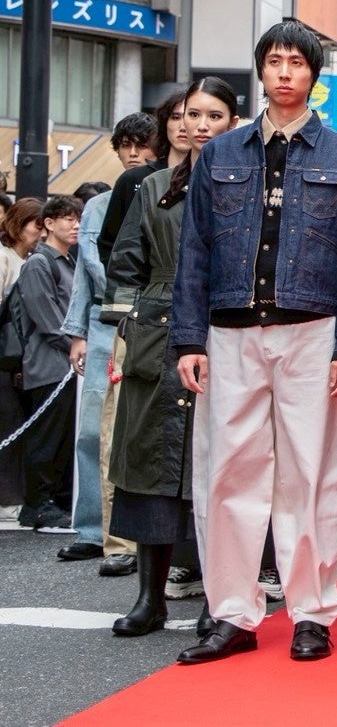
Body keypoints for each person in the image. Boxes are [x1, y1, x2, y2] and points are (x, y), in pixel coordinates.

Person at [170, 20, 337, 664]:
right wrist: (187, 339)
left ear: (314, 74)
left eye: (297, 63)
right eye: (275, 61)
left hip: (313, 331)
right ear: (260, 70)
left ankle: (311, 611)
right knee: (228, 473)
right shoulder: (220, 155)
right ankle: (232, 612)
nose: (285, 73)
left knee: (313, 472)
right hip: (229, 330)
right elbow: (194, 251)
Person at [100, 79, 240, 638]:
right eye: (187, 115)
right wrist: (129, 325)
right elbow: (123, 263)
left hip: (223, 329)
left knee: (219, 469)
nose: (197, 125)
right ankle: (149, 598)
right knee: (149, 466)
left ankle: (221, 594)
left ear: (233, 123)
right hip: (155, 335)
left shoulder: (247, 183)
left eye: (211, 115)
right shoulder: (152, 185)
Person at [58, 110, 161, 569]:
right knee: (91, 431)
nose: (134, 154)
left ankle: (133, 534)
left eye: (142, 145)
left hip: (149, 318)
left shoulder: (162, 188)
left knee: (135, 431)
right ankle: (91, 528)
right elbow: (85, 273)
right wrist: (77, 332)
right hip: (104, 322)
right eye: (126, 146)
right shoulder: (98, 205)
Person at [15, 195, 84, 534]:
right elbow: (47, 319)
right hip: (48, 365)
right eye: (68, 219)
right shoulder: (39, 264)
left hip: (67, 366)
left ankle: (55, 500)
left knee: (63, 439)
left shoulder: (69, 261)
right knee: (46, 438)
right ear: (49, 223)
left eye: (78, 219)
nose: (75, 225)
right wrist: (75, 347)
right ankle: (37, 503)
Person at [99, 92, 191, 275]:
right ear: (164, 123)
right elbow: (110, 244)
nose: (183, 126)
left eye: (191, 115)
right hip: (146, 285)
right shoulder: (134, 179)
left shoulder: (218, 179)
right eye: (175, 117)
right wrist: (127, 285)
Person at [0, 198, 44, 525]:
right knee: (9, 425)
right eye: (36, 225)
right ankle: (7, 499)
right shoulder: (4, 258)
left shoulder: (29, 260)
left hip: (20, 359)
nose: (40, 232)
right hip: (5, 358)